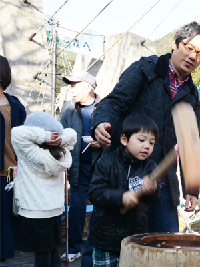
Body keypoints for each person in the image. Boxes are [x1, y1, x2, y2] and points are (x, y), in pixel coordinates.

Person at [91, 22, 200, 232]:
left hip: (160, 182)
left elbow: (190, 143)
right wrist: (100, 123)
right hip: (123, 174)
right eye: (189, 48)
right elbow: (114, 102)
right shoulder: (145, 70)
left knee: (167, 244)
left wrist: (191, 189)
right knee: (105, 242)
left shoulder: (192, 94)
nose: (193, 56)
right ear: (175, 44)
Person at [88, 114, 160, 266]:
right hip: (104, 239)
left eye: (151, 143)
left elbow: (154, 199)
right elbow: (95, 193)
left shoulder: (150, 167)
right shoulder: (106, 162)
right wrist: (121, 198)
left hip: (135, 239)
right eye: (141, 140)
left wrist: (151, 190)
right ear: (124, 140)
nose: (147, 146)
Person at [11, 111, 77, 267]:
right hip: (54, 208)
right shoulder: (62, 151)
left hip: (34, 210)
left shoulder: (29, 151)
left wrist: (46, 136)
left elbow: (16, 132)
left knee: (42, 253)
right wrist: (59, 138)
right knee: (51, 249)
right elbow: (72, 134)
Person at [59, 71, 102, 264]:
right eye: (71, 85)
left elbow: (118, 134)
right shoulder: (69, 111)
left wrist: (101, 141)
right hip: (77, 168)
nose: (72, 89)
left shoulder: (105, 107)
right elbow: (60, 137)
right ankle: (74, 248)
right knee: (76, 208)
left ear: (89, 87)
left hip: (101, 167)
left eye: (75, 85)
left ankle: (96, 247)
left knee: (102, 207)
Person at [0, 55, 26, 262]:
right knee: (5, 218)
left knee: (6, 217)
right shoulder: (15, 106)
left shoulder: (16, 107)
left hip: (9, 172)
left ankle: (5, 252)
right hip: (9, 171)